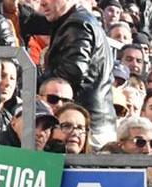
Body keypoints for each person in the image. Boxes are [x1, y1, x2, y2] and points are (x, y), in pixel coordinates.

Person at [40, 0, 116, 148]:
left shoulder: (78, 24)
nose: (42, 3)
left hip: (87, 125)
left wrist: (34, 83)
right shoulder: (77, 21)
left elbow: (71, 73)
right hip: (92, 122)